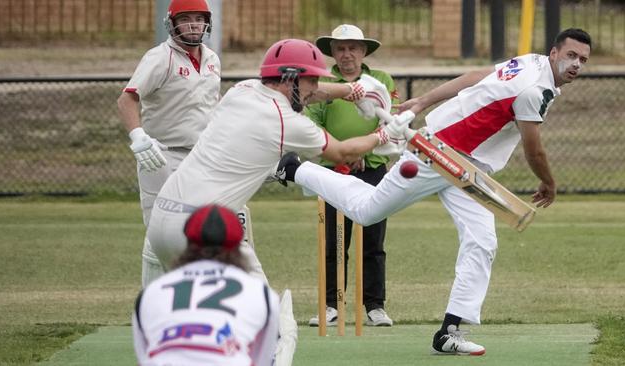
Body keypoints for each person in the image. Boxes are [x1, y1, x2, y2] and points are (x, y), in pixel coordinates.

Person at [277, 28, 592, 355]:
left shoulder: (532, 63)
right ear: (554, 53)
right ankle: (294, 168)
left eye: (583, 59)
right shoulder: (535, 87)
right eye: (570, 56)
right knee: (367, 211)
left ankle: (450, 331)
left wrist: (424, 100)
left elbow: (475, 76)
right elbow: (533, 149)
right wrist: (549, 183)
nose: (576, 65)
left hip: (467, 168)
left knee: (483, 241)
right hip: (439, 154)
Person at [146, 38, 402, 279]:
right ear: (291, 78)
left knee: (194, 317)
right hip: (202, 229)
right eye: (311, 79)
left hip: (161, 220)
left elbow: (313, 92)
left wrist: (351, 90)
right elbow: (342, 153)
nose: (314, 88)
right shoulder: (287, 122)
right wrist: (383, 134)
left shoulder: (241, 89)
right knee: (262, 317)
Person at [118, 0, 259, 287]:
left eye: (198, 18)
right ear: (172, 23)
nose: (193, 25)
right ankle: (156, 305)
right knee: (160, 232)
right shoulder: (160, 57)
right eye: (186, 19)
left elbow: (210, 105)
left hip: (202, 157)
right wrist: (138, 137)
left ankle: (230, 293)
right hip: (161, 155)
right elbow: (127, 98)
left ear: (207, 22)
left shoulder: (212, 59)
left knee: (226, 221)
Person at [305, 24, 398, 327]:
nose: (347, 54)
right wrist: (340, 154)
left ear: (363, 51)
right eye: (340, 48)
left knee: (373, 240)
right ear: (333, 52)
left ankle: (375, 306)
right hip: (333, 171)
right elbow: (313, 125)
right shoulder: (322, 83)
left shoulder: (380, 80)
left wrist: (360, 153)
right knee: (333, 241)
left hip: (372, 168)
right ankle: (332, 305)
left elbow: (389, 121)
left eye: (353, 48)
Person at [132, 204, 283, 366]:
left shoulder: (150, 294)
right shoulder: (262, 295)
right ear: (239, 247)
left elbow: (144, 356)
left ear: (186, 242)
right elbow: (264, 360)